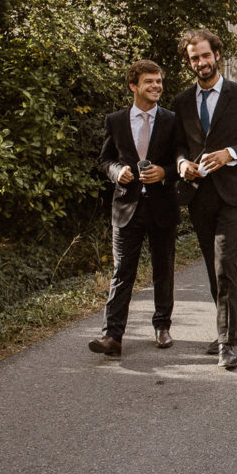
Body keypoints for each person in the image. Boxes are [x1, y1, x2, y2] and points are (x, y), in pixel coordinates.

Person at [174, 28, 237, 370]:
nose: (201, 62)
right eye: (194, 57)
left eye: (205, 55)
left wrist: (229, 153)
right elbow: (178, 146)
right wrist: (182, 163)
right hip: (199, 197)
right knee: (214, 270)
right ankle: (230, 329)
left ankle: (225, 343)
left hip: (231, 195)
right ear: (190, 62)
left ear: (217, 55)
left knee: (225, 264)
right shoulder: (183, 101)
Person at [89, 60, 179, 356]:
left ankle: (162, 326)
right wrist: (117, 172)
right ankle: (112, 336)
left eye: (159, 81)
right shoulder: (115, 120)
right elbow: (105, 159)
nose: (156, 86)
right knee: (122, 272)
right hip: (126, 207)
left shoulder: (171, 120)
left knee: (163, 270)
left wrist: (164, 172)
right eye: (149, 82)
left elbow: (182, 160)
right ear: (133, 86)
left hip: (162, 206)